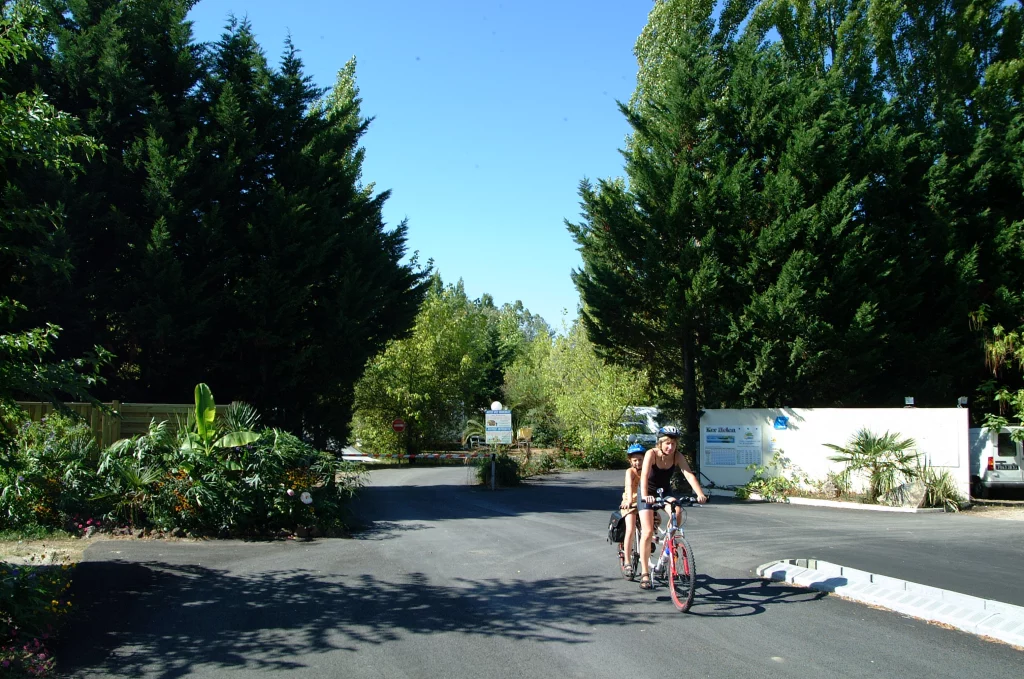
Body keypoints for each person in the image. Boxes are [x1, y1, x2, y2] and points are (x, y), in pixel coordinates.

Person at [637, 425, 708, 590]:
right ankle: (645, 573)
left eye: (674, 444)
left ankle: (667, 548)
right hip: (647, 491)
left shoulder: (677, 456)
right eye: (667, 443)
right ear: (660, 443)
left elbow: (688, 474)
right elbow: (644, 476)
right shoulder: (651, 454)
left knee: (677, 511)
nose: (671, 447)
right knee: (647, 532)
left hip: (664, 491)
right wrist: (645, 495)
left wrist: (700, 494)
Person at [619, 443, 646, 575]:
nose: (638, 462)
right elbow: (629, 486)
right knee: (630, 528)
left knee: (652, 524)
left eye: (640, 459)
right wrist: (629, 501)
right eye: (635, 460)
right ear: (630, 461)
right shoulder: (630, 472)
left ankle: (648, 543)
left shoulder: (648, 470)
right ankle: (627, 561)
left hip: (644, 500)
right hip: (631, 501)